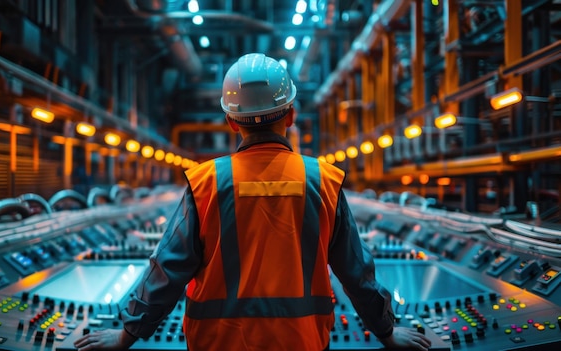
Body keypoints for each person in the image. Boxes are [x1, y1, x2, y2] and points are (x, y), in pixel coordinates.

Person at [74, 53, 432, 351]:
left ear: (231, 122)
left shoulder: (206, 182)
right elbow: (355, 271)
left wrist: (125, 337)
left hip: (218, 343)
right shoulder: (323, 181)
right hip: (302, 343)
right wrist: (386, 332)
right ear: (291, 115)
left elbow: (168, 270)